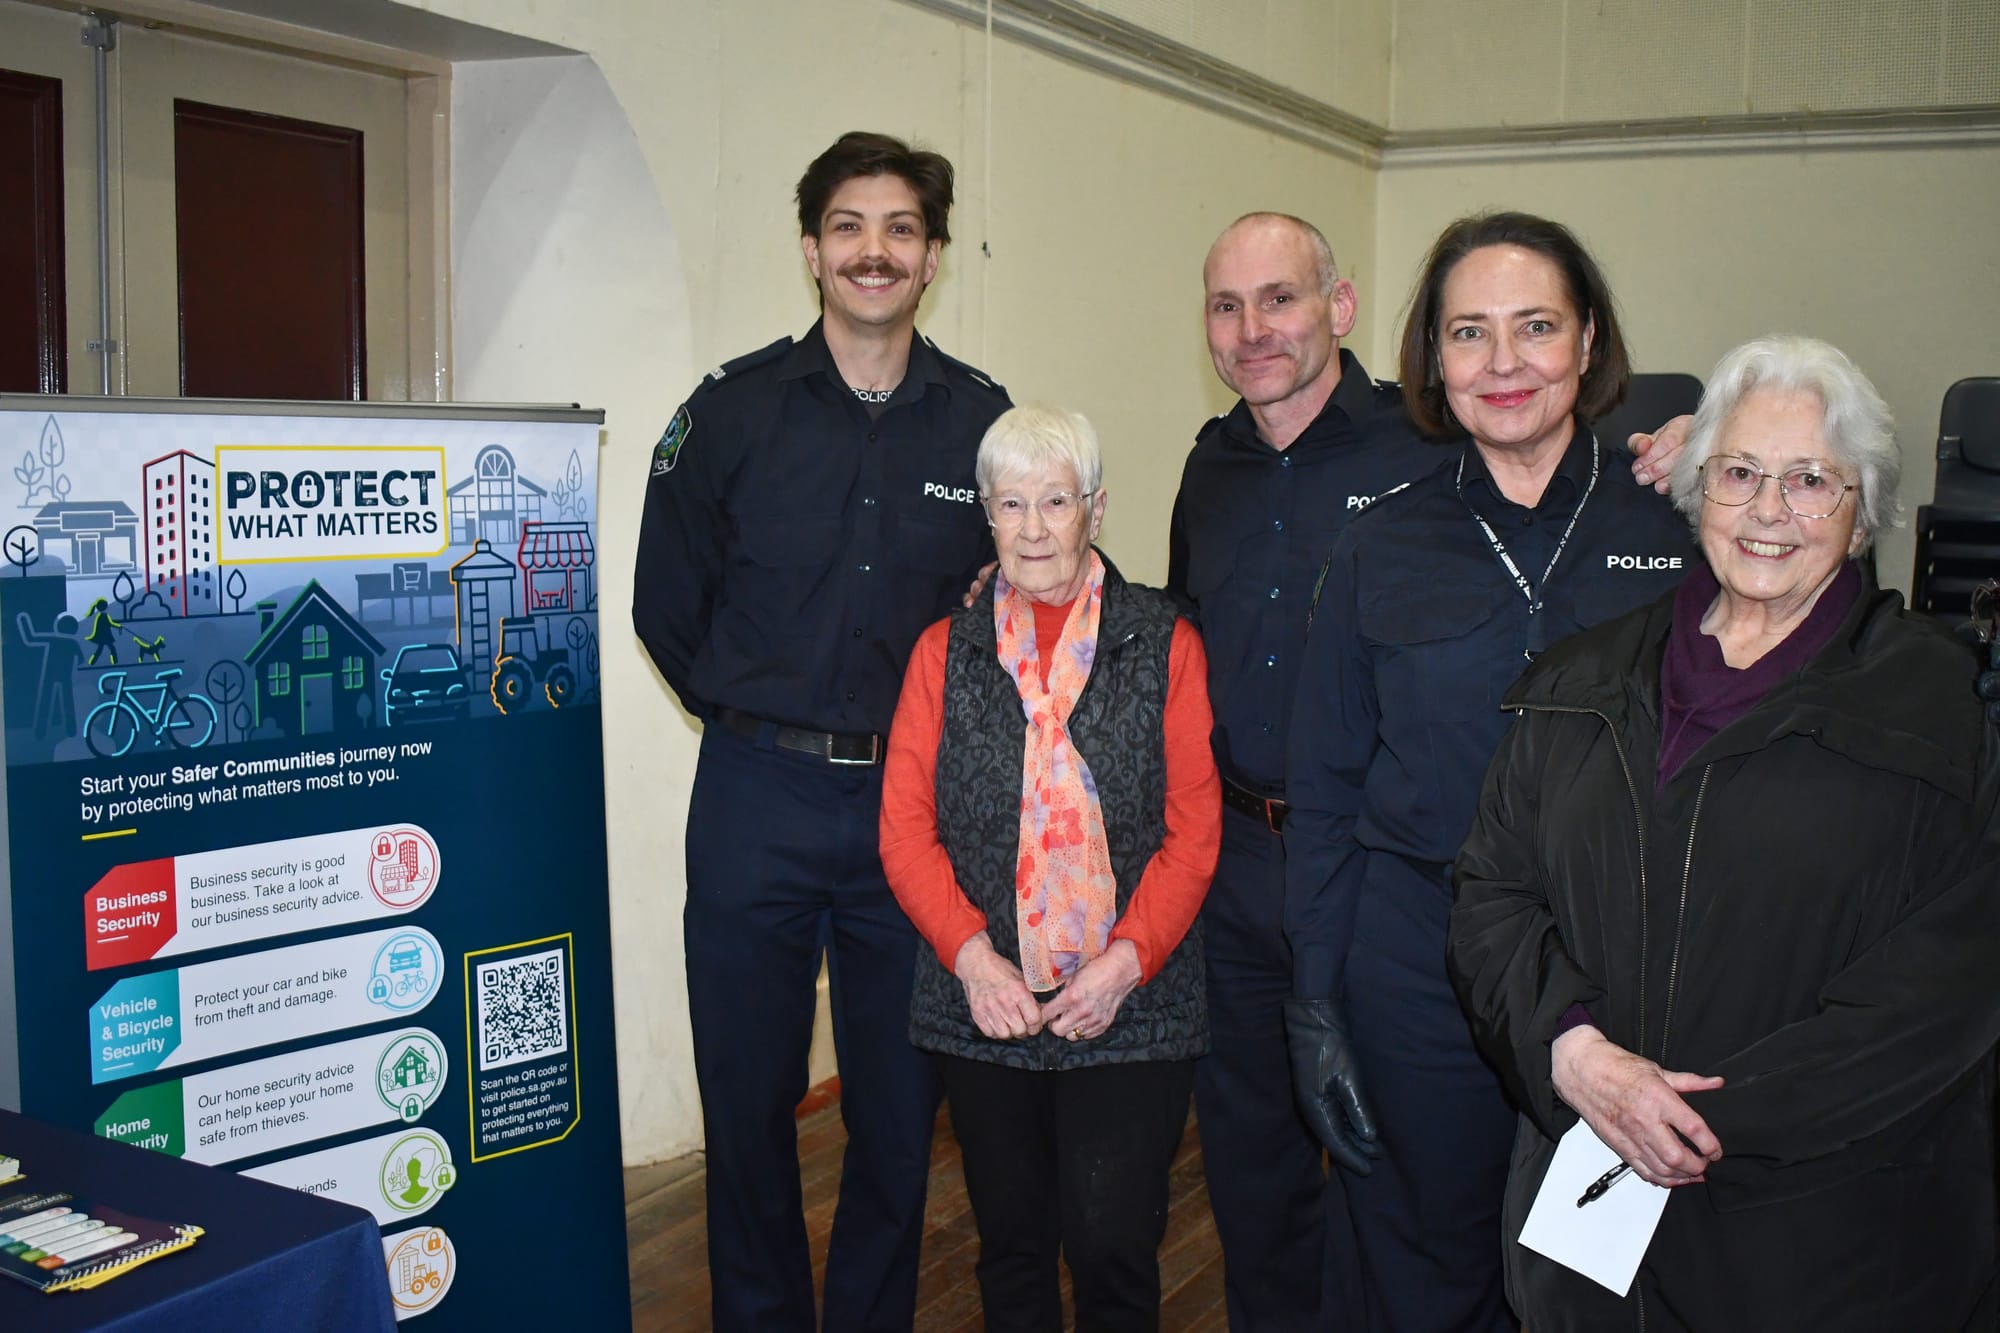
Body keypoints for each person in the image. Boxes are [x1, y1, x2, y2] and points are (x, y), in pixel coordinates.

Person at [1168, 210, 1685, 1329]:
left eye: (1534, 326)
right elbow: (1330, 786)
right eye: (1467, 333)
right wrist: (1315, 995)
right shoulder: (1382, 542)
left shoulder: (1676, 519)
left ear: (1587, 340)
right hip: (1417, 969)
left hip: (1618, 966)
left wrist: (1728, 440)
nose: (1501, 363)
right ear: (1432, 357)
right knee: (1423, 1270)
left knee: (1591, 1280)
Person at [1447, 335, 2000, 1331]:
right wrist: (1573, 1056)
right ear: (1696, 486)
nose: (1767, 509)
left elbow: (1944, 991)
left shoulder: (1941, 711)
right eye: (1739, 472)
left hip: (1824, 1243)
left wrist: (1700, 1120)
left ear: (1862, 504)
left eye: (1808, 480)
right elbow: (1491, 895)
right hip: (1593, 1224)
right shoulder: (1577, 682)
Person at [632, 130, 1010, 1332]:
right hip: (755, 798)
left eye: (900, 228)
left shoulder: (981, 425)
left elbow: (1018, 601)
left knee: (895, 1112)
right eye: (848, 226)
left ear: (933, 256)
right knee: (744, 1101)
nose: (873, 250)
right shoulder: (731, 413)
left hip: (911, 814)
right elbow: (664, 602)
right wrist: (754, 713)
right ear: (810, 248)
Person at [882, 405, 1220, 1331]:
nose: (1033, 528)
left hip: (1135, 1001)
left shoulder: (1165, 641)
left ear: (1097, 509)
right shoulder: (940, 654)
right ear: (985, 517)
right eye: (1011, 503)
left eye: (1056, 501)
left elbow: (1195, 830)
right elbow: (905, 830)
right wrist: (971, 957)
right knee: (1012, 1248)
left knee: (1113, 1245)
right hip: (981, 999)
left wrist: (1124, 962)